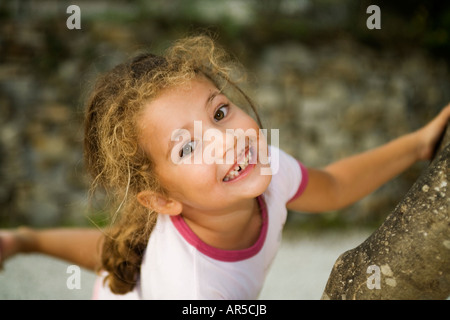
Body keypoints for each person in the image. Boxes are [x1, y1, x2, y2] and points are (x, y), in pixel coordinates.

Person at [0, 35, 449, 299]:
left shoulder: (261, 164)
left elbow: (332, 186)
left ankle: (23, 238)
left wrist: (418, 143)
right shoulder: (195, 290)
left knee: (118, 251)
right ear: (163, 199)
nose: (225, 140)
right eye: (188, 147)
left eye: (218, 113)